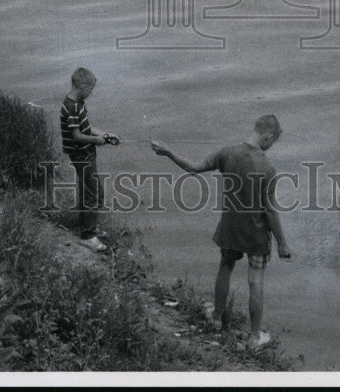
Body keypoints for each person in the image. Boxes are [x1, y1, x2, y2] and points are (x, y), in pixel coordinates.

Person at [151, 114, 291, 351]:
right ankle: (255, 336)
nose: (270, 146)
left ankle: (216, 318)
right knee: (255, 281)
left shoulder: (227, 153)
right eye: (273, 142)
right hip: (256, 235)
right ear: (268, 136)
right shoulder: (267, 167)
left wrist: (168, 152)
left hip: (230, 228)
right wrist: (282, 243)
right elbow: (269, 210)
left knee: (225, 268)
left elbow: (193, 168)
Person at [60, 67, 120, 252]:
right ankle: (88, 236)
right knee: (94, 193)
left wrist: (104, 135)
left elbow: (85, 128)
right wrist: (96, 140)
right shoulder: (72, 107)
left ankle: (86, 227)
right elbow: (77, 135)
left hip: (85, 154)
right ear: (83, 85)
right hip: (82, 155)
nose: (91, 93)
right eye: (91, 89)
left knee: (88, 191)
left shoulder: (77, 103)